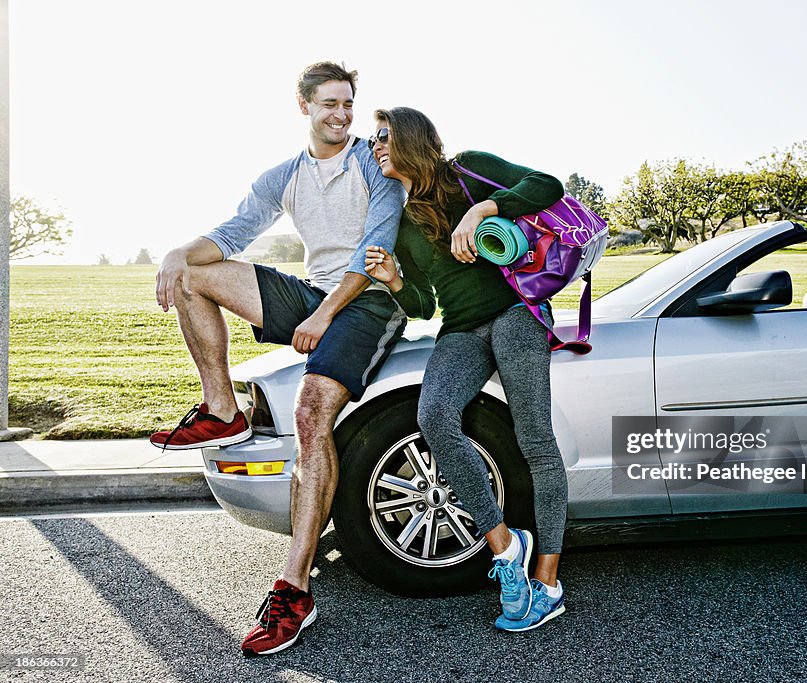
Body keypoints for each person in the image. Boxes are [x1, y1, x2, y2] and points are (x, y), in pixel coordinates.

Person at [151, 62, 407, 656]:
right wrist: (173, 251)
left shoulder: (375, 163)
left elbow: (377, 251)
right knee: (194, 273)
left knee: (311, 412)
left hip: (368, 303)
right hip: (316, 293)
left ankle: (293, 589)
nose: (341, 115)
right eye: (329, 105)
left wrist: (321, 318)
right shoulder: (284, 176)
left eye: (348, 104)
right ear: (304, 107)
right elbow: (233, 233)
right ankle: (222, 409)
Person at [364, 107, 568, 631]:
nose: (375, 144)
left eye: (383, 135)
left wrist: (479, 212)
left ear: (410, 137)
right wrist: (392, 279)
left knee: (536, 442)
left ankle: (548, 582)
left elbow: (548, 185)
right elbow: (423, 306)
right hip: (460, 329)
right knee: (434, 417)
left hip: (517, 311)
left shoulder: (468, 169)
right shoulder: (407, 220)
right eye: (373, 138)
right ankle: (506, 548)